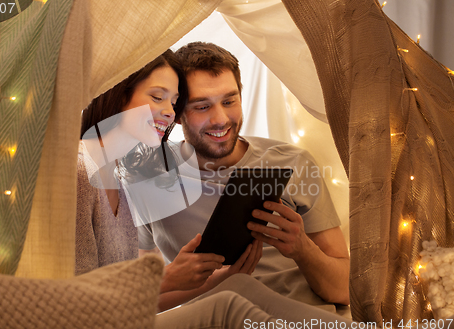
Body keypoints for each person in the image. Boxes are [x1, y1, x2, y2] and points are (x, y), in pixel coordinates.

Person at [138, 42, 351, 309]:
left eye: (229, 101)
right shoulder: (148, 175)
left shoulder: (293, 162)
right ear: (177, 114)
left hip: (307, 318)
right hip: (218, 322)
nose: (220, 119)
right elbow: (133, 301)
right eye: (202, 106)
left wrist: (302, 249)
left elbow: (345, 290)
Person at [75, 49, 261, 305]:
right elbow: (73, 297)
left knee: (236, 298)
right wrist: (166, 277)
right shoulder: (80, 172)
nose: (170, 112)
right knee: (230, 310)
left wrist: (224, 278)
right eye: (157, 97)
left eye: (173, 103)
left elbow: (133, 300)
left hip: (123, 320)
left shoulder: (118, 179)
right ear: (119, 94)